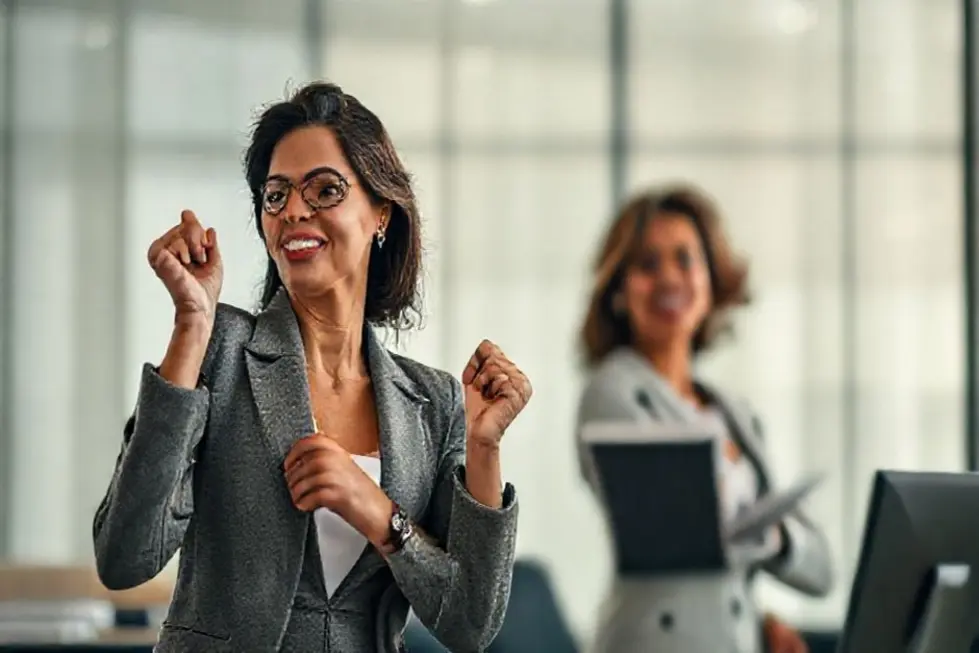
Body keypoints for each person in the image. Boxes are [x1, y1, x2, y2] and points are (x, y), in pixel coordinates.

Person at [93, 82, 532, 653]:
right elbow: (126, 556)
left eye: (325, 189)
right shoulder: (220, 348)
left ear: (380, 213)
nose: (294, 210)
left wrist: (388, 505)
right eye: (275, 196)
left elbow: (469, 623)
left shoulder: (435, 401)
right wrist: (191, 327)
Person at [575, 185, 833, 653]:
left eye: (685, 259)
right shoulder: (611, 391)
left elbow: (819, 569)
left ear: (711, 280)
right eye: (648, 264)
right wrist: (763, 531)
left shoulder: (735, 414)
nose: (669, 277)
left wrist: (756, 619)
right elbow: (678, 533)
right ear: (618, 291)